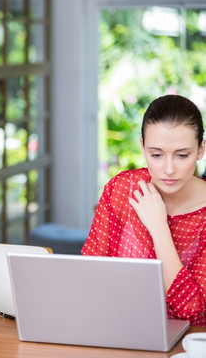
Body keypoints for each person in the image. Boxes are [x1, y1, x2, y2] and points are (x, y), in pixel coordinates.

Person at [82, 94, 206, 326]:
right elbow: (90, 274)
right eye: (156, 154)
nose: (168, 169)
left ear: (201, 149)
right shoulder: (121, 190)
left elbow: (191, 311)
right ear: (142, 146)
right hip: (116, 332)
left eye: (182, 155)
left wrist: (159, 228)